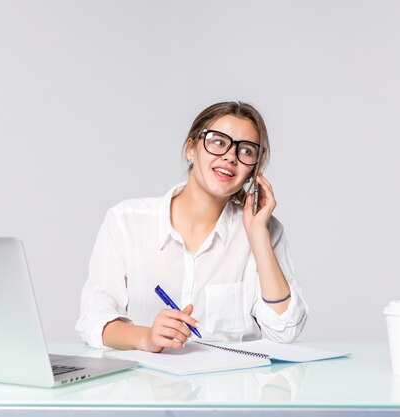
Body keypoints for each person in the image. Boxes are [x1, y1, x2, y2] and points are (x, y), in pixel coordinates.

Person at [75, 101, 307, 352]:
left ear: (254, 170)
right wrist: (147, 338)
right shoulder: (126, 221)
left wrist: (258, 236)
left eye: (247, 151)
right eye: (218, 142)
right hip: (145, 386)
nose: (230, 156)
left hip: (231, 385)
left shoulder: (264, 230)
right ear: (191, 149)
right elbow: (94, 319)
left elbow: (285, 330)